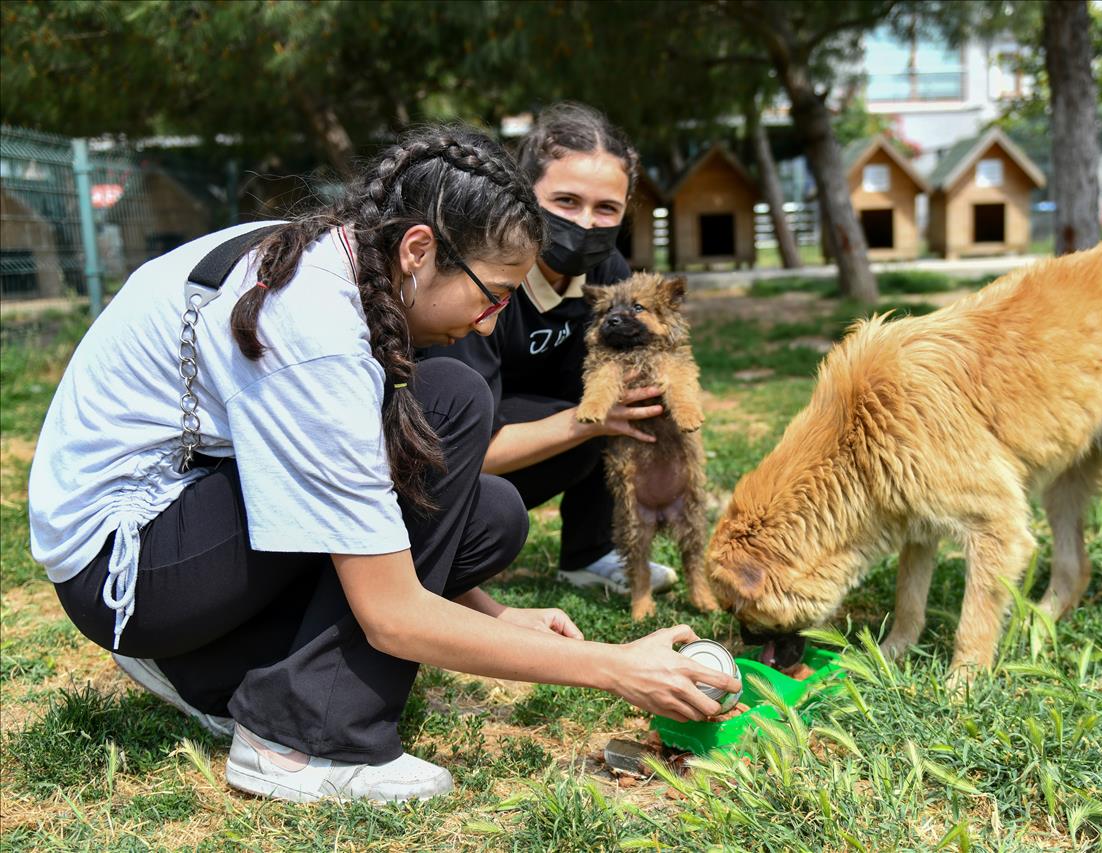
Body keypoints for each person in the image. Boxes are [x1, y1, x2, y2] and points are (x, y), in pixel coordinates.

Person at [27, 124, 738, 804]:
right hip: (129, 564)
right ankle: (301, 739)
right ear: (419, 248)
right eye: (491, 294)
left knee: (488, 508)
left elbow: (375, 511)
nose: (491, 322)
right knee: (454, 401)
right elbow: (392, 612)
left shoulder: (350, 265)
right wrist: (617, 667)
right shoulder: (315, 330)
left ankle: (206, 664)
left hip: (185, 528)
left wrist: (499, 615)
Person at [422, 103, 678, 596]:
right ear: (524, 193)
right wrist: (590, 420)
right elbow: (452, 451)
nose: (586, 223)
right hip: (445, 457)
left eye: (607, 208)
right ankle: (445, 540)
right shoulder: (480, 275)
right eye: (565, 201)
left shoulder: (607, 275)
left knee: (633, 396)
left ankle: (591, 553)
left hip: (537, 426)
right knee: (602, 413)